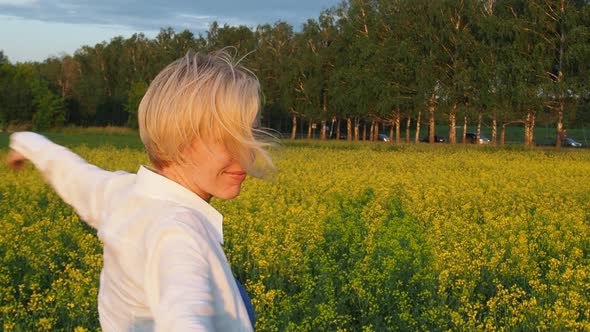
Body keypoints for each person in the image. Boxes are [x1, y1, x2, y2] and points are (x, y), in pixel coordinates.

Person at [6, 49, 272, 331]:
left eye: (251, 134)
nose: (248, 154)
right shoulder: (178, 234)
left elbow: (73, 173)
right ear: (180, 137)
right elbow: (184, 315)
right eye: (230, 139)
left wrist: (25, 142)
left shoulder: (122, 192)